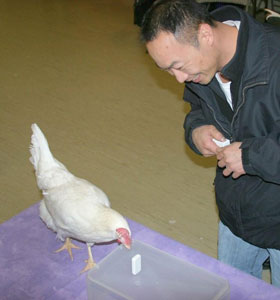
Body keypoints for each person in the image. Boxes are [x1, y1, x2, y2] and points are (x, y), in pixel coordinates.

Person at [140, 0, 280, 286]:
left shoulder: (274, 61)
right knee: (234, 288)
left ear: (205, 35)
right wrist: (196, 131)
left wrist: (252, 157)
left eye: (178, 66)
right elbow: (198, 109)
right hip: (235, 214)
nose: (179, 78)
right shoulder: (200, 64)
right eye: (167, 70)